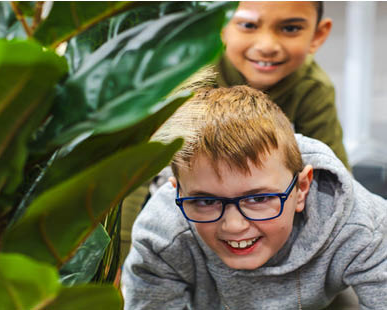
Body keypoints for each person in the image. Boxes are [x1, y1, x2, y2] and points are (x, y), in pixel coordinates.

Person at [122, 86, 387, 309]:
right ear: (177, 192)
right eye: (205, 201)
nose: (234, 226)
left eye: (259, 199)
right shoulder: (163, 237)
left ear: (301, 189)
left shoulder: (361, 226)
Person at [216, 1, 349, 169]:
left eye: (290, 29)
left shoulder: (313, 88)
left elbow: (334, 174)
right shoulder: (190, 77)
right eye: (248, 25)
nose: (267, 47)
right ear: (219, 26)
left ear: (317, 35)